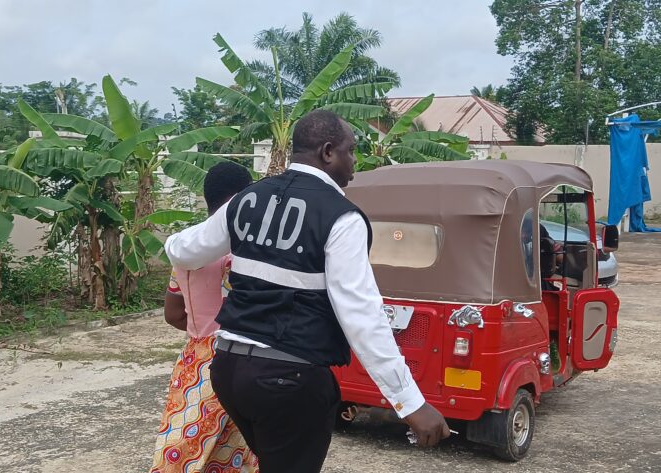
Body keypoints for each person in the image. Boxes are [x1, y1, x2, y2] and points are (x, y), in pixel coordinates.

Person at [164, 110, 450, 472]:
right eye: (351, 151)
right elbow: (362, 316)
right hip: (289, 379)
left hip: (229, 371)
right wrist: (410, 403)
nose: (354, 164)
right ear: (328, 152)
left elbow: (182, 250)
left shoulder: (247, 200)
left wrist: (174, 241)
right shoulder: (342, 218)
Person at [151, 162, 257, 473]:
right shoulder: (241, 249)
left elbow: (173, 313)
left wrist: (201, 330)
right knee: (236, 451)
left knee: (183, 450)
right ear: (242, 199)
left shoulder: (185, 248)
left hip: (192, 363)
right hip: (238, 357)